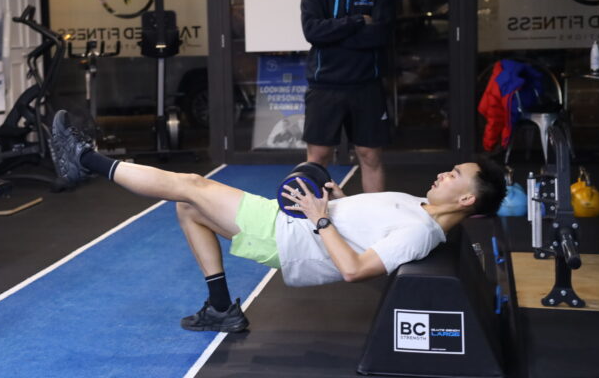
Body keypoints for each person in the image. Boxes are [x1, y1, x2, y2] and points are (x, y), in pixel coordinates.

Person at [50, 110, 506, 334]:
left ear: (466, 198)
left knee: (189, 185)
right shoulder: (418, 205)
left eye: (455, 175)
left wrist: (321, 220)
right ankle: (222, 308)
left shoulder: (419, 232)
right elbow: (366, 224)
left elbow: (355, 270)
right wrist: (338, 201)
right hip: (298, 225)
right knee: (187, 208)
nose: (444, 173)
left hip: (289, 235)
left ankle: (83, 159)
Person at [300, 0, 395, 193]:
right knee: (318, 159)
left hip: (366, 86)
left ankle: (374, 219)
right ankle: (316, 217)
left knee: (370, 156)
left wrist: (332, 33)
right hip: (324, 87)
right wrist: (355, 21)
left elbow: (380, 35)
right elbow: (312, 32)